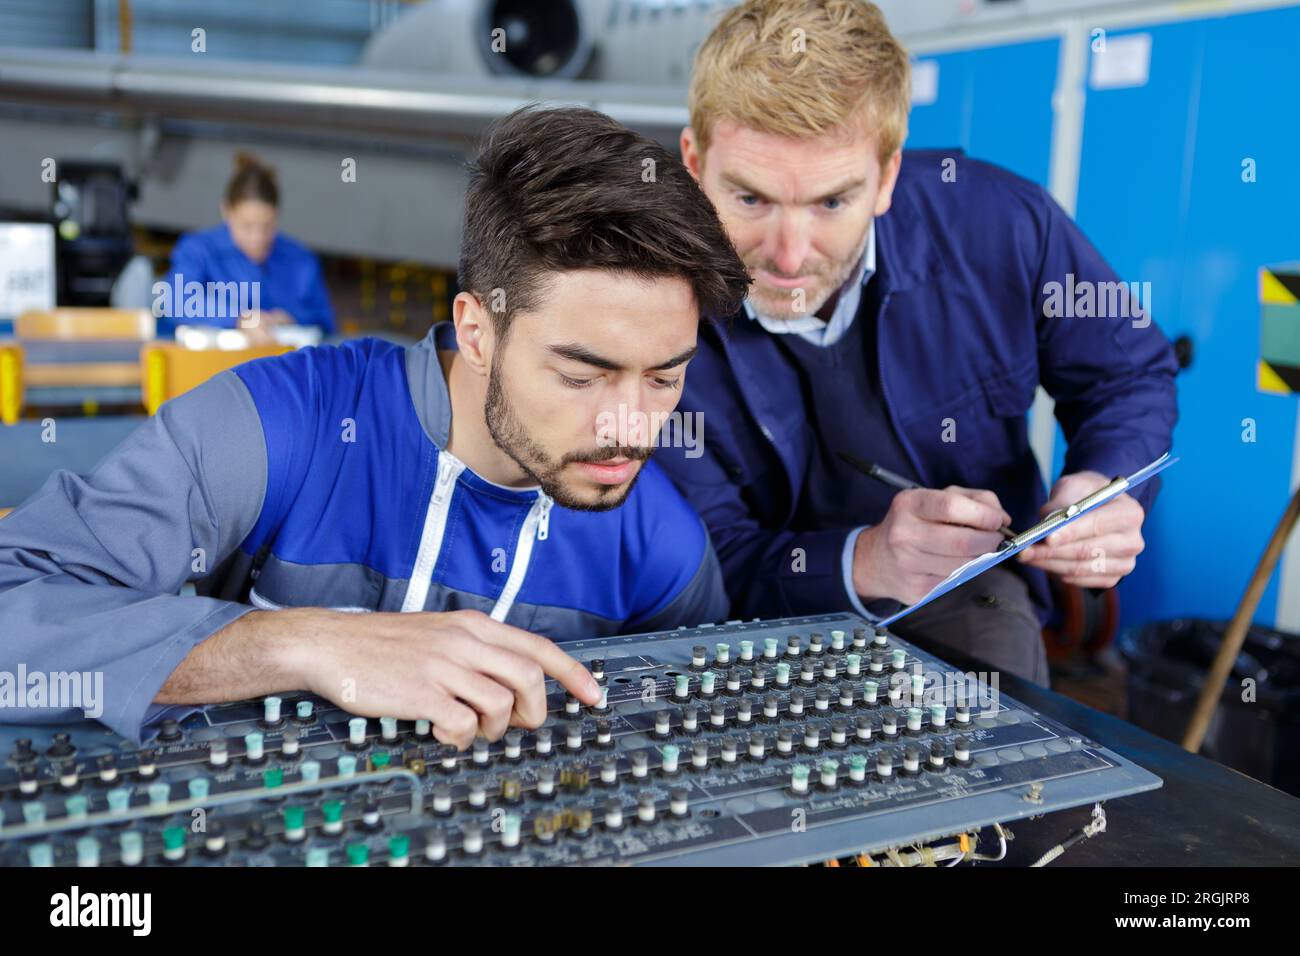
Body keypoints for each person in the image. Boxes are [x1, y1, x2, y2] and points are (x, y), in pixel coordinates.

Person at [0, 106, 750, 748]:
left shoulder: (662, 548)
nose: (629, 426)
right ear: (478, 330)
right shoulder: (278, 427)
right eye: (582, 375)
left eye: (664, 377)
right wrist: (300, 641)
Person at [655, 0, 1179, 684]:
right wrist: (864, 561)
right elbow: (705, 564)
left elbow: (1128, 375)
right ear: (695, 163)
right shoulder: (649, 306)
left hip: (963, 592)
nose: (787, 255)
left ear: (888, 176)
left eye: (830, 202)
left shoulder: (1000, 226)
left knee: (1005, 722)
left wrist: (1106, 487)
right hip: (744, 619)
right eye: (750, 199)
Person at [159, 152, 335, 338]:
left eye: (267, 226)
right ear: (226, 211)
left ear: (277, 215)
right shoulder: (199, 251)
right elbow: (175, 302)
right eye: (247, 226)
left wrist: (291, 318)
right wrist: (238, 318)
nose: (257, 238)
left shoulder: (300, 259)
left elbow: (325, 319)